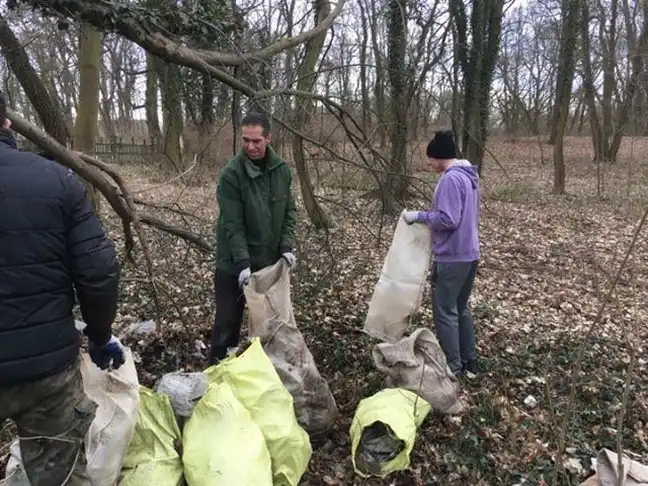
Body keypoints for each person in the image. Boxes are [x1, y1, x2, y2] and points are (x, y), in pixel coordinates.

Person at [0, 93, 124, 486]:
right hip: (46, 372)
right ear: (7, 124)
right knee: (63, 475)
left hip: (45, 362)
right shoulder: (56, 180)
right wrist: (100, 336)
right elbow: (99, 269)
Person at [209, 112, 297, 363]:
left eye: (256, 141)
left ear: (268, 138)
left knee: (271, 329)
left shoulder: (281, 172)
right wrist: (242, 265)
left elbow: (289, 210)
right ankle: (216, 379)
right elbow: (232, 224)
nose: (250, 146)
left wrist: (286, 245)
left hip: (268, 262)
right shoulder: (231, 175)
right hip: (233, 264)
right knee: (227, 327)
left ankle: (268, 378)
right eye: (246, 140)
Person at [403, 130, 480, 378]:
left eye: (430, 159)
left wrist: (419, 217)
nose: (428, 164)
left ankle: (453, 367)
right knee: (461, 308)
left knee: (445, 311)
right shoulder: (469, 177)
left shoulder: (450, 179)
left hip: (452, 256)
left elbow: (448, 218)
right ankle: (471, 360)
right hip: (470, 254)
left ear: (439, 157)